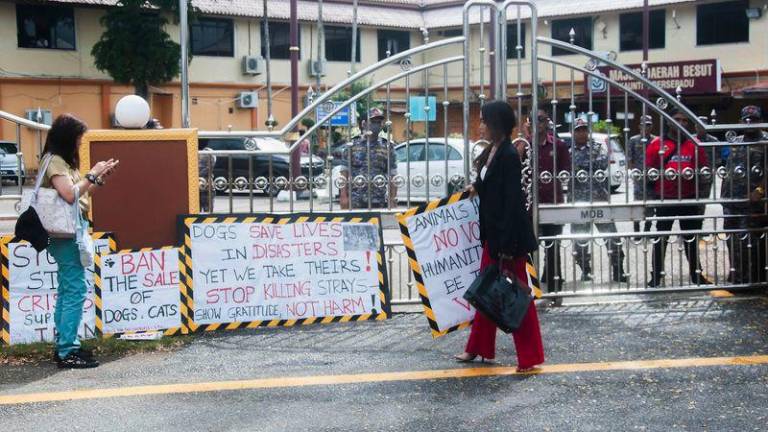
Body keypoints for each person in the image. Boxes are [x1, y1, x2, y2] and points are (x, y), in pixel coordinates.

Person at [455, 100, 544, 372]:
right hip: (493, 236)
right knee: (487, 292)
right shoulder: (493, 151)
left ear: (497, 124)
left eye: (484, 121)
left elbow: (511, 202)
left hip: (508, 240)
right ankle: (478, 347)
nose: (480, 126)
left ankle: (529, 357)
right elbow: (489, 182)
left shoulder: (508, 155)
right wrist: (476, 186)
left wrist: (506, 245)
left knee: (516, 296)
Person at [42, 114, 119, 368]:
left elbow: (82, 194)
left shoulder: (63, 162)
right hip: (64, 235)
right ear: (68, 138)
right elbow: (69, 195)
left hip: (71, 232)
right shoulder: (54, 162)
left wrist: (98, 177)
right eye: (77, 138)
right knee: (74, 290)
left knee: (68, 291)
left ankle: (65, 344)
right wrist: (92, 173)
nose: (80, 143)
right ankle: (67, 350)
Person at [645, 108, 713, 287]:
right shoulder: (657, 144)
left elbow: (704, 173)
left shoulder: (694, 144)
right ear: (668, 121)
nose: (681, 123)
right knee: (661, 240)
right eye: (677, 119)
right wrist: (650, 200)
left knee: (691, 239)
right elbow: (648, 174)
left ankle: (696, 275)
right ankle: (656, 277)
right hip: (664, 199)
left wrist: (701, 201)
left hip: (689, 199)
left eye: (684, 120)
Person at [568, 119, 627, 282]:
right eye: (578, 130)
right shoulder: (568, 151)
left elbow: (602, 163)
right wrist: (585, 166)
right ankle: (585, 270)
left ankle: (618, 270)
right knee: (579, 240)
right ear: (573, 132)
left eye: (584, 129)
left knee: (612, 238)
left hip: (599, 199)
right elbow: (566, 168)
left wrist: (580, 167)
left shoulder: (598, 147)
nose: (581, 133)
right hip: (579, 202)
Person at [522, 108, 571, 292]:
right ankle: (530, 286)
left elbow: (566, 171)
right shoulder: (524, 144)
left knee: (553, 245)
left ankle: (553, 284)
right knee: (530, 246)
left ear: (548, 121)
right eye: (533, 119)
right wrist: (528, 138)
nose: (537, 123)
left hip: (552, 202)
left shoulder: (558, 145)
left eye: (541, 119)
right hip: (530, 205)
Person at [720, 105, 768, 284]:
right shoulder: (736, 141)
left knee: (751, 243)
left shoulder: (765, 141)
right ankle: (736, 276)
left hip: (753, 203)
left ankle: (754, 280)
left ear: (760, 121)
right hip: (731, 201)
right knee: (732, 240)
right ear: (740, 121)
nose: (749, 122)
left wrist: (760, 190)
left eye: (753, 119)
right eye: (746, 119)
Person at [339, 107, 397, 209]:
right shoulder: (351, 145)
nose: (376, 125)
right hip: (355, 200)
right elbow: (344, 173)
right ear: (364, 123)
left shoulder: (387, 146)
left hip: (379, 200)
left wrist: (392, 198)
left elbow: (393, 174)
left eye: (379, 122)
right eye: (373, 121)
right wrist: (343, 196)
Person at [627, 114, 657, 235]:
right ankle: (637, 230)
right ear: (640, 126)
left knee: (650, 205)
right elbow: (629, 159)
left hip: (652, 178)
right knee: (638, 204)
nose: (647, 128)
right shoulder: (633, 140)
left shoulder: (656, 140)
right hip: (639, 178)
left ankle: (647, 229)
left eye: (649, 125)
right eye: (644, 125)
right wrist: (634, 172)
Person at [198, 140, 217, 213]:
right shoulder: (209, 152)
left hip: (202, 186)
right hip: (207, 186)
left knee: (196, 212)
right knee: (208, 212)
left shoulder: (207, 152)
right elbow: (210, 167)